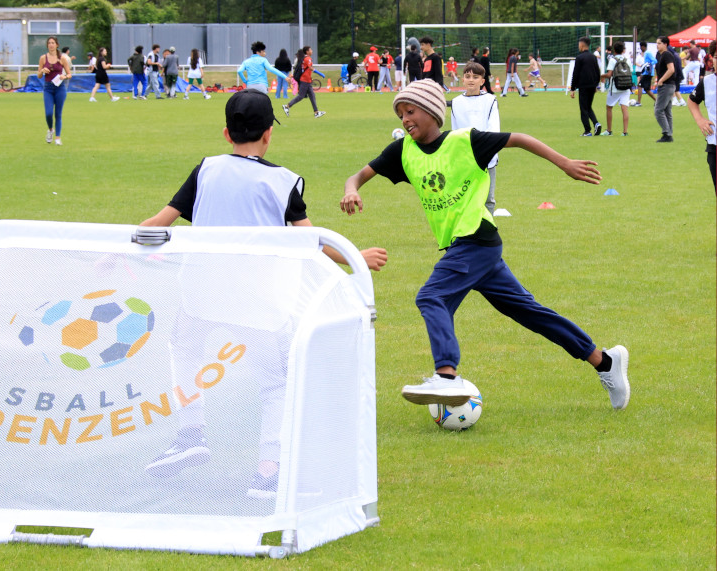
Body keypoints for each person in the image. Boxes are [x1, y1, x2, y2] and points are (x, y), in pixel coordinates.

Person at [139, 90, 387, 495]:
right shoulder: (284, 180)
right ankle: (268, 470)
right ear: (269, 134)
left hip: (201, 292)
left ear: (226, 133)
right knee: (275, 381)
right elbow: (312, 243)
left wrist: (115, 253)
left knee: (183, 348)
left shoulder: (206, 170)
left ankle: (191, 434)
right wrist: (354, 256)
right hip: (259, 300)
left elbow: (160, 222)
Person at [340, 79, 630, 413]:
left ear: (434, 113)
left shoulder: (467, 141)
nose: (405, 119)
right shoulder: (402, 152)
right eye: (400, 113)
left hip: (476, 239)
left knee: (431, 297)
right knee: (529, 313)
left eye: (411, 111)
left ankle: (446, 376)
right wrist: (352, 190)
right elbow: (357, 176)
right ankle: (605, 362)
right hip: (465, 249)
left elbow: (518, 139)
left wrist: (564, 163)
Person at [451, 62, 500, 213]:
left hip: (487, 156)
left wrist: (484, 148)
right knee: (465, 196)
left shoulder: (490, 100)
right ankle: (467, 233)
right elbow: (455, 131)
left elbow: (494, 129)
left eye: (475, 77)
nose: (471, 80)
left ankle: (488, 231)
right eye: (467, 76)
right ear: (463, 80)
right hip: (465, 157)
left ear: (482, 81)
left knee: (488, 198)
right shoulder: (456, 102)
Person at [37, 36, 72, 146]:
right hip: (48, 88)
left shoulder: (62, 58)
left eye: (53, 43)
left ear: (57, 45)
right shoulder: (43, 58)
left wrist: (64, 77)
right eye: (49, 43)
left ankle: (57, 138)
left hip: (60, 88)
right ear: (47, 45)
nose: (51, 45)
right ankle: (51, 130)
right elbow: (38, 75)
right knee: (48, 113)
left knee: (58, 114)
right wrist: (42, 70)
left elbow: (69, 74)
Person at [686, 72, 717, 189]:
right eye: (716, 57)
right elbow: (692, 100)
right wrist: (700, 120)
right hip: (715, 146)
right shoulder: (708, 81)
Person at [569, 37, 602, 136]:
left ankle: (587, 131)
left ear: (582, 45)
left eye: (579, 44)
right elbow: (597, 72)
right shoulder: (593, 57)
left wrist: (572, 88)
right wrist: (596, 84)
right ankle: (596, 123)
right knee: (588, 107)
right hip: (592, 86)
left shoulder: (579, 58)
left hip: (583, 86)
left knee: (583, 108)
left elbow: (576, 73)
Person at [283, 46, 326, 118]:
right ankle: (287, 106)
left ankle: (316, 112)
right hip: (305, 80)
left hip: (307, 80)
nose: (312, 51)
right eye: (310, 50)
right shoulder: (308, 58)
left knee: (312, 95)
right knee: (301, 96)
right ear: (307, 51)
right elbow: (310, 67)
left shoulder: (303, 58)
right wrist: (320, 73)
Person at [599, 41, 631, 137]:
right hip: (626, 87)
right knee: (624, 108)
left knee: (609, 107)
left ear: (614, 50)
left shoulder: (613, 60)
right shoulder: (627, 60)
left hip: (615, 88)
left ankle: (609, 130)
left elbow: (609, 74)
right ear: (623, 50)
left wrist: (601, 76)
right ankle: (625, 131)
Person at [654, 36, 677, 142]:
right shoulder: (661, 55)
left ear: (665, 44)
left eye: (659, 43)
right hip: (670, 85)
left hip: (666, 85)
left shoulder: (666, 54)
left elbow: (671, 69)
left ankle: (666, 133)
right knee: (667, 111)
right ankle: (669, 134)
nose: (657, 45)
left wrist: (661, 80)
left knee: (658, 110)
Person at [632, 41, 657, 107]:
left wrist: (648, 65)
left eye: (641, 47)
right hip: (646, 73)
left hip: (648, 73)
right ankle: (657, 101)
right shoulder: (646, 53)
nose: (640, 48)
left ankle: (639, 102)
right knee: (646, 89)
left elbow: (655, 61)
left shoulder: (648, 53)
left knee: (640, 85)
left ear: (643, 47)